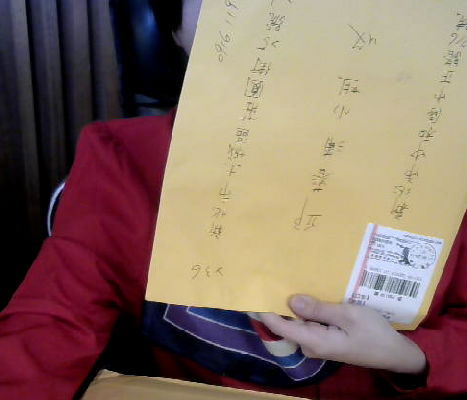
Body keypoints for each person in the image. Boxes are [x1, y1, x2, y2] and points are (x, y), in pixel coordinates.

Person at [0, 1, 466, 399]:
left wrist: (415, 357)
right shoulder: (121, 162)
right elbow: (47, 328)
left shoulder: (442, 171)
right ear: (175, 30)